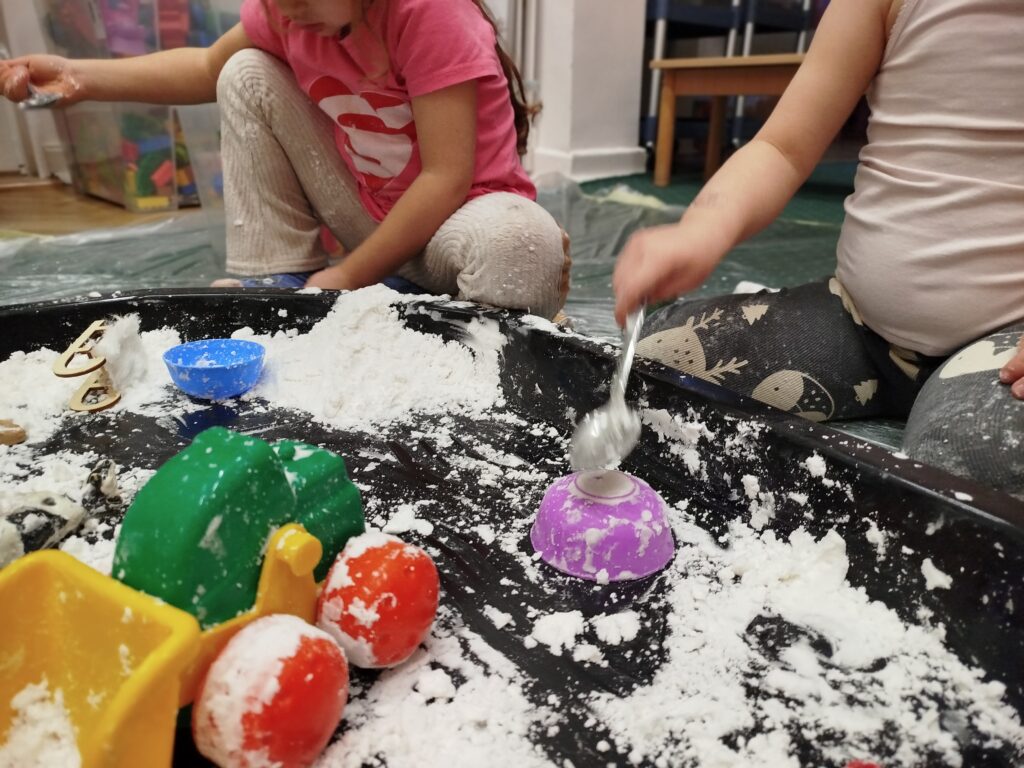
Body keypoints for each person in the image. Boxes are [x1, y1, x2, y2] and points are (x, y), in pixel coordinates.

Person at [613, 0, 1024, 499]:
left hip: (1005, 348)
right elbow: (782, 147)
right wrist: (700, 229)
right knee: (657, 362)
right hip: (859, 322)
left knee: (974, 466)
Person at [0, 0, 571, 319]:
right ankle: (278, 281)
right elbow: (204, 68)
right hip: (373, 220)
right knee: (243, 70)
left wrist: (348, 276)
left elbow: (445, 179)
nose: (286, 10)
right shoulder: (289, 10)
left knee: (523, 243)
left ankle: (442, 318)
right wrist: (78, 77)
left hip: (456, 224)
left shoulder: (430, 12)